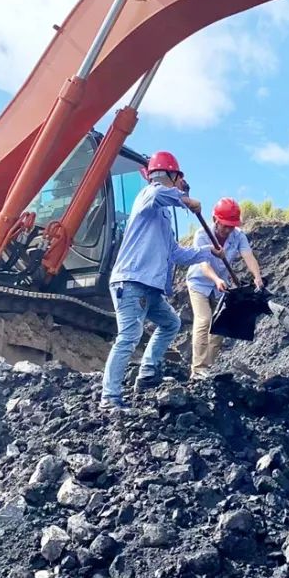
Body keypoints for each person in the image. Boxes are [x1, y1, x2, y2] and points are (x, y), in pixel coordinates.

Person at [100, 150, 223, 410]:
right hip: (132, 282)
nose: (180, 183)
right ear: (169, 175)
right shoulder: (148, 195)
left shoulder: (163, 217)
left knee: (171, 323)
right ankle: (109, 398)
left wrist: (208, 252)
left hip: (151, 287)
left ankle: (147, 373)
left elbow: (176, 253)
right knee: (129, 336)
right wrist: (185, 200)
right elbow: (158, 194)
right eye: (178, 178)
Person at [185, 197, 264, 379]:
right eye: (225, 226)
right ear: (215, 220)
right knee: (204, 320)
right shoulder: (202, 235)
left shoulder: (238, 236)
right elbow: (203, 264)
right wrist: (216, 279)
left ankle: (208, 368)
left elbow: (248, 256)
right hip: (199, 282)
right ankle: (198, 369)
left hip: (221, 286)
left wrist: (257, 277)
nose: (228, 230)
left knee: (220, 326)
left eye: (232, 226)